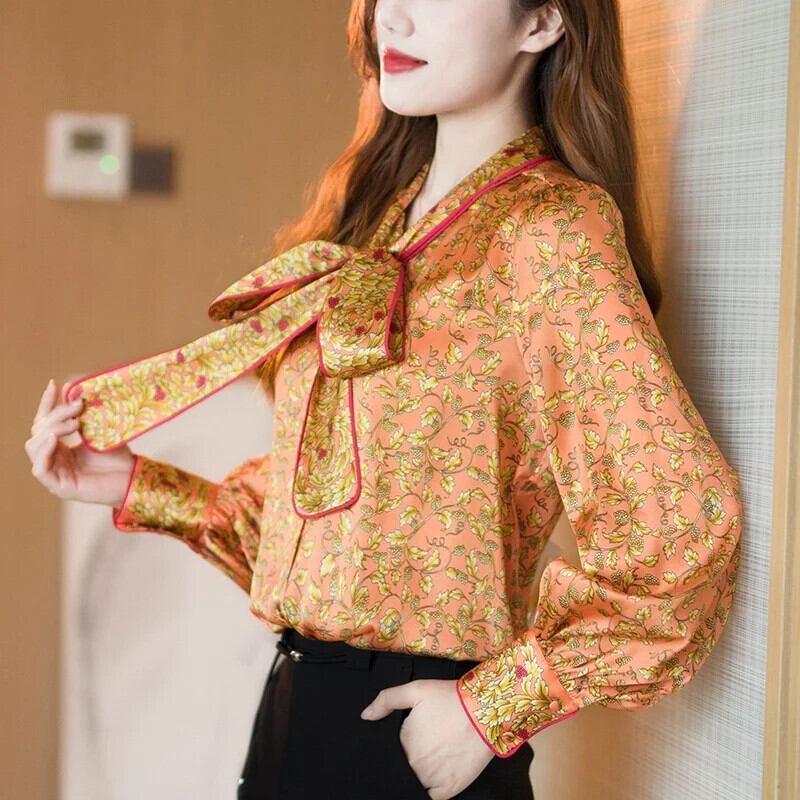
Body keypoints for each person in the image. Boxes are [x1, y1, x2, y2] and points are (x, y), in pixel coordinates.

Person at [26, 1, 745, 798]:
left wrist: (491, 709)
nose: (392, 19)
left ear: (542, 22)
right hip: (291, 713)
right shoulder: (375, 227)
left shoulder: (552, 232)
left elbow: (680, 533)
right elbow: (342, 550)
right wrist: (137, 485)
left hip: (413, 736)